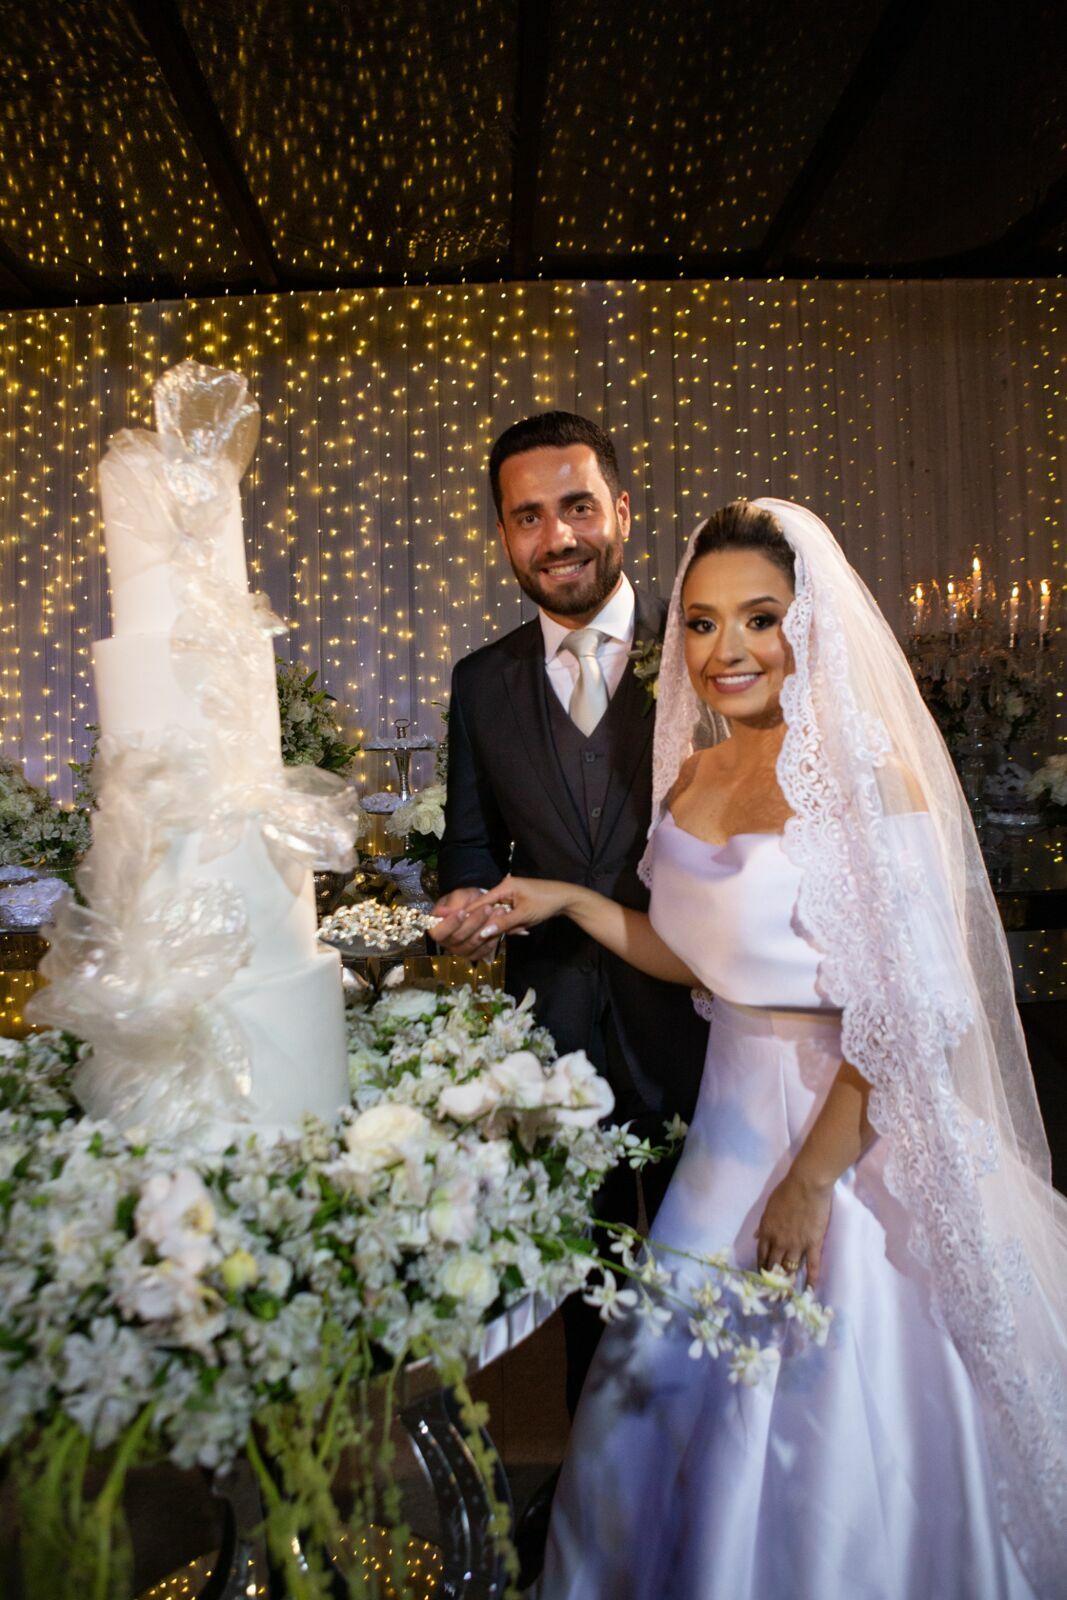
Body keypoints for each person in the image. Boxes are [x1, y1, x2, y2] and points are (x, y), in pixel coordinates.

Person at [479, 499, 1067, 1600]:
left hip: (849, 1144)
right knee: (646, 1409)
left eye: (759, 618)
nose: (726, 650)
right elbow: (695, 954)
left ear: (813, 628)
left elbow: (911, 1016)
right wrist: (564, 898)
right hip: (723, 1141)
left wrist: (809, 1178)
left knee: (821, 1427)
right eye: (700, 624)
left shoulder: (868, 783)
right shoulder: (698, 776)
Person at [432, 411, 708, 1416]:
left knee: (708, 1286)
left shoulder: (706, 650)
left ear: (621, 510)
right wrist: (465, 901)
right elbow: (470, 849)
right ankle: (605, 1499)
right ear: (504, 535)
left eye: (578, 506)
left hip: (707, 1033)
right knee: (587, 1296)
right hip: (555, 1045)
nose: (557, 537)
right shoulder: (480, 683)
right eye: (528, 517)